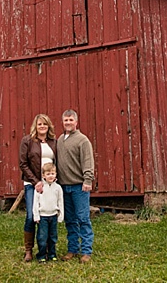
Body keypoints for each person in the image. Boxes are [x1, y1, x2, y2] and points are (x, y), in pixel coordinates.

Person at [56, 109, 95, 263]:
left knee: (83, 218)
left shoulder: (82, 140)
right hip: (64, 187)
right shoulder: (60, 139)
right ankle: (72, 249)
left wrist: (87, 180)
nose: (68, 123)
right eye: (66, 120)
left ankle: (86, 251)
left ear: (76, 122)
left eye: (71, 120)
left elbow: (88, 161)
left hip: (79, 186)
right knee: (70, 220)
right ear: (62, 122)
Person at [18, 114, 58, 262]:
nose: (42, 127)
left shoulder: (54, 142)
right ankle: (28, 250)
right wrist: (36, 182)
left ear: (49, 126)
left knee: (48, 216)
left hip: (49, 184)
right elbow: (23, 163)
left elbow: (57, 162)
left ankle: (47, 249)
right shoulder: (27, 141)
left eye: (45, 124)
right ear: (36, 125)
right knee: (31, 216)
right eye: (40, 124)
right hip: (32, 184)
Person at [33, 162, 64, 262]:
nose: (50, 176)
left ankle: (52, 254)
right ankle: (41, 255)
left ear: (56, 174)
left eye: (52, 173)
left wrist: (60, 215)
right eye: (48, 174)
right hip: (43, 216)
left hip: (53, 215)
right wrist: (36, 216)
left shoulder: (58, 188)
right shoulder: (40, 188)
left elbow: (60, 202)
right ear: (43, 175)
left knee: (53, 236)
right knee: (42, 237)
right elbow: (35, 202)